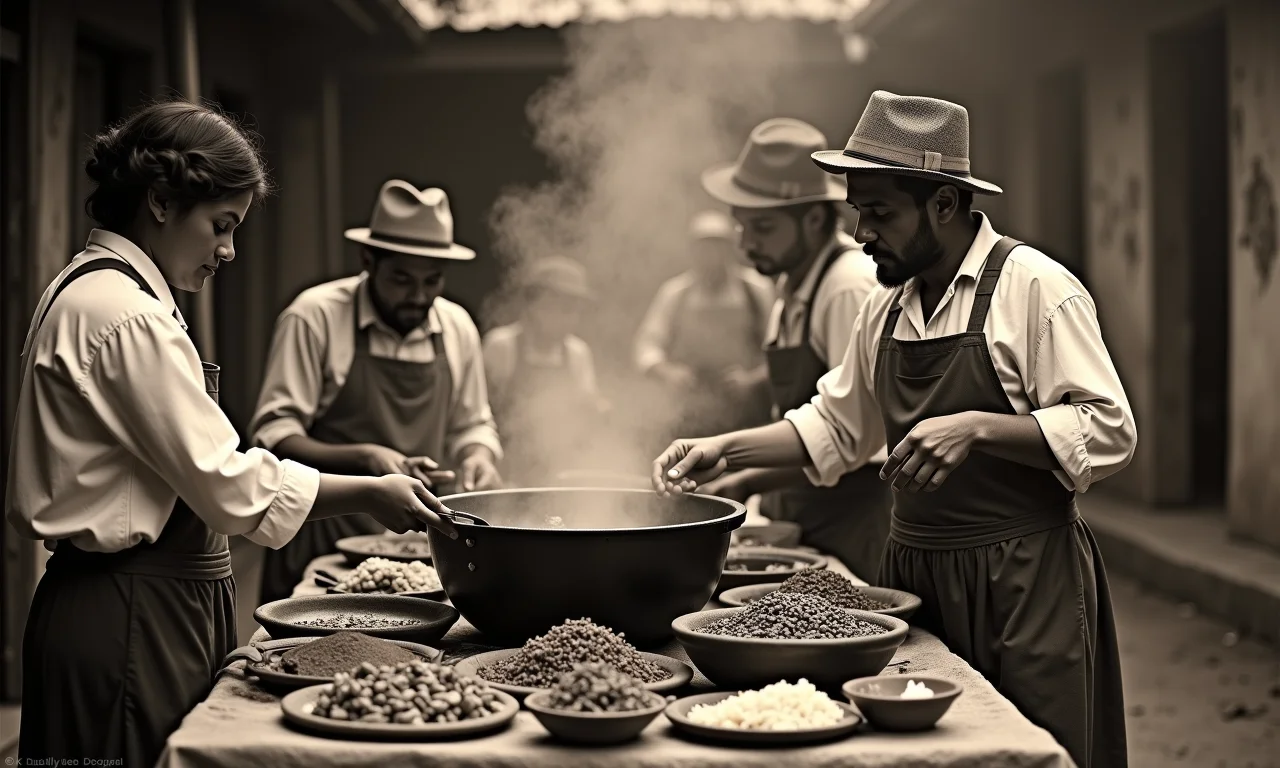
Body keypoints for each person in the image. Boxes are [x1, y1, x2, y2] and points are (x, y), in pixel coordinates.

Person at [653, 91, 1133, 768]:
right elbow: (835, 426)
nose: (860, 234)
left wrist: (979, 428)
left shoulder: (1036, 290)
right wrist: (721, 449)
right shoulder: (884, 309)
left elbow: (1108, 425)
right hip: (913, 575)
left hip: (1023, 576)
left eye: (879, 213)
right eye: (857, 212)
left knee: (1035, 748)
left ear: (944, 203)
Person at [5, 101, 458, 767]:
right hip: (129, 610)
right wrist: (369, 489)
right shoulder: (126, 316)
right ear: (161, 201)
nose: (228, 251)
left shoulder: (101, 293)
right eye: (221, 226)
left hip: (143, 602)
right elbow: (225, 483)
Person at [251, 180, 503, 604]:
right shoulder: (315, 316)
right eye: (402, 279)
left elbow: (473, 423)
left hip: (416, 550)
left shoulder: (457, 326)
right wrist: (365, 458)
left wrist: (479, 456)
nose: (418, 297)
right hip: (324, 538)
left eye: (433, 281)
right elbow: (273, 435)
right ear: (368, 259)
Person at [693, 118, 891, 580]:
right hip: (806, 513)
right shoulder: (790, 283)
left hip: (851, 521)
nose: (745, 244)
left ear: (816, 219)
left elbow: (859, 435)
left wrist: (746, 472)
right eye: (740, 227)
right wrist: (746, 478)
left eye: (762, 227)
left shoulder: (846, 286)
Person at [634, 210, 776, 439]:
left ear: (731, 249)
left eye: (717, 247)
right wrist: (669, 373)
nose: (711, 255)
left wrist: (752, 380)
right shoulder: (675, 293)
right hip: (689, 405)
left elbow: (780, 349)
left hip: (747, 407)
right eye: (704, 248)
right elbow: (647, 345)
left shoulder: (757, 290)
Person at [482, 256, 609, 485]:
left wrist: (600, 412)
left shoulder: (577, 353)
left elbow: (588, 407)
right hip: (507, 471)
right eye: (557, 307)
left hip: (557, 470)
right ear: (531, 304)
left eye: (572, 310)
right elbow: (479, 414)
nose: (566, 317)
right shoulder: (502, 346)